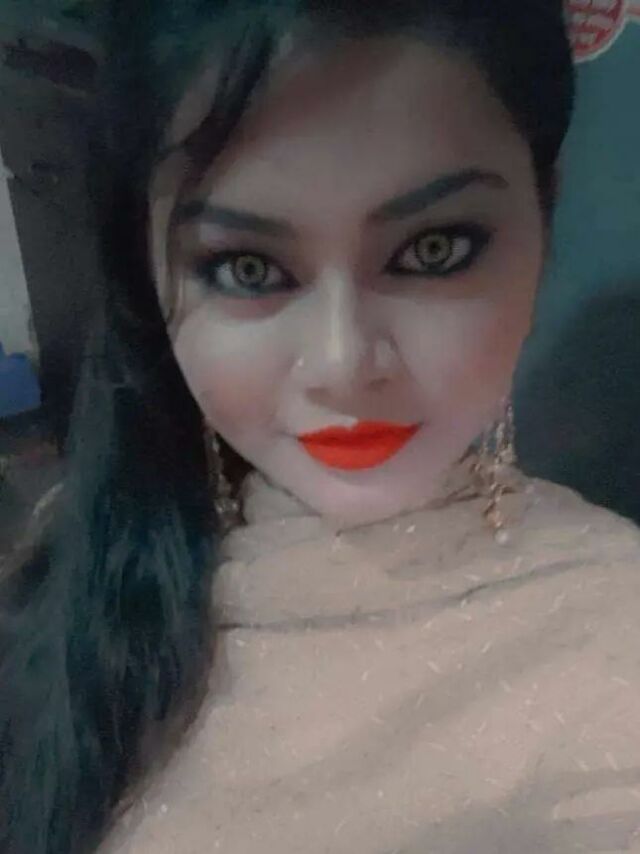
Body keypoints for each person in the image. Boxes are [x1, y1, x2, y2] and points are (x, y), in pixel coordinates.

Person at [2, 2, 640, 853]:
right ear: (149, 273)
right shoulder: (69, 557)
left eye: (434, 250)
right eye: (247, 268)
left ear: (542, 222)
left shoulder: (613, 632)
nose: (342, 364)